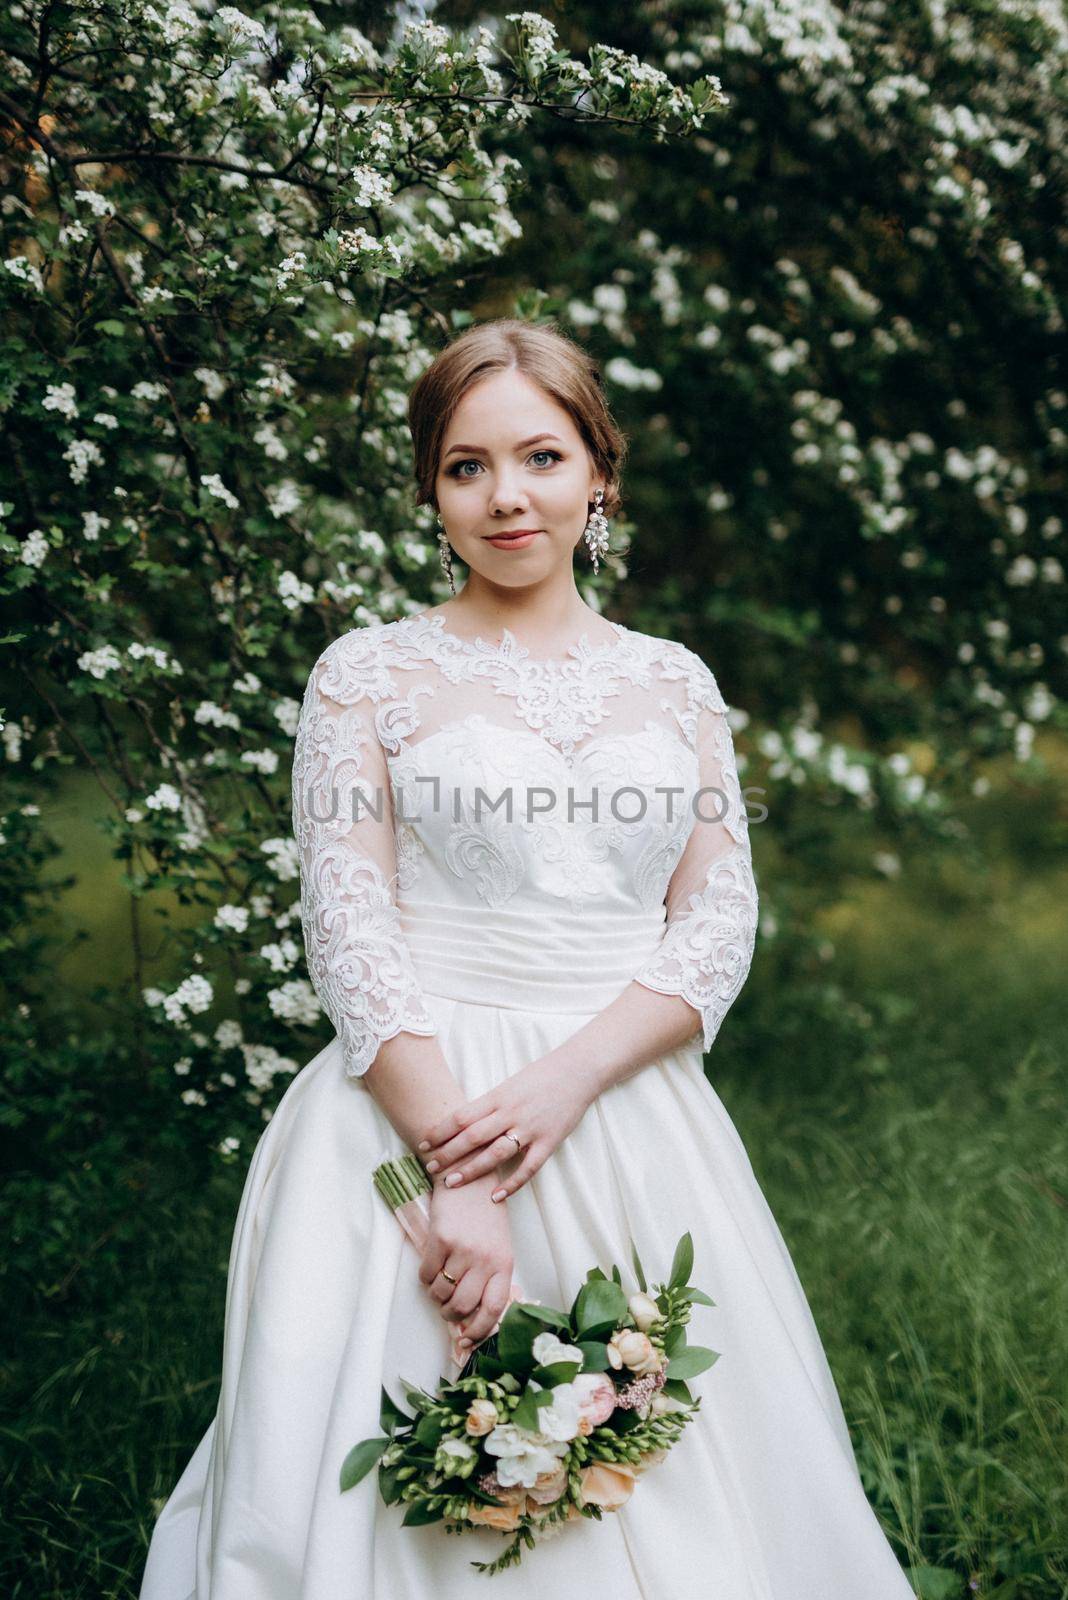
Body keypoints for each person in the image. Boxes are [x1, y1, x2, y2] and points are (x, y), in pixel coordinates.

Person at [139, 319, 916, 1598]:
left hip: (619, 1106)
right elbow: (349, 927)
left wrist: (559, 1088)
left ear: (598, 475)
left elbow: (717, 923)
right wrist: (462, 1172)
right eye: (466, 465)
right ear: (430, 490)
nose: (507, 495)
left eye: (542, 456)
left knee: (681, 1482)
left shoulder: (674, 684)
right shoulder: (366, 676)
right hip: (407, 1107)